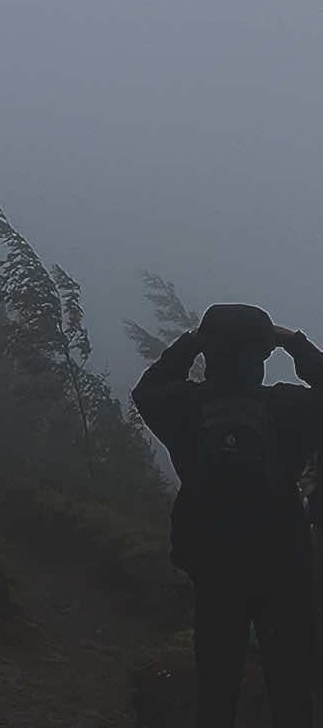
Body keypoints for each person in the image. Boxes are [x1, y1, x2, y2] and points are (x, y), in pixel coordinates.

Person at [132, 302, 323, 728]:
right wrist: (295, 342)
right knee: (291, 689)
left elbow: (146, 390)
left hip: (214, 566)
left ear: (208, 353)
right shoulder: (290, 408)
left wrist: (188, 343)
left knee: (216, 687)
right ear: (264, 354)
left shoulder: (183, 406)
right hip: (283, 564)